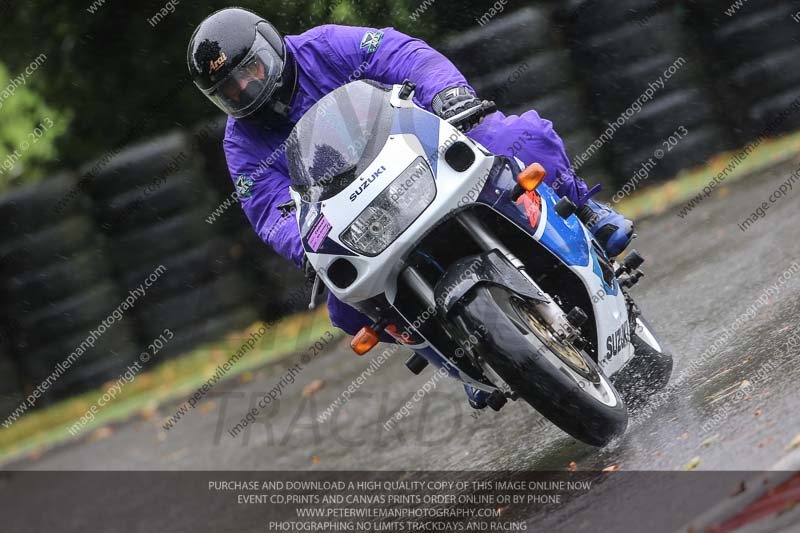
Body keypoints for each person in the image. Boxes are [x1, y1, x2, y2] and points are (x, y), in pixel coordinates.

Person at [187, 7, 633, 409]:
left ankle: (587, 210)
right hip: (360, 216)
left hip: (420, 152)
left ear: (271, 48)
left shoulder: (324, 46)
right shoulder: (240, 144)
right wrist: (304, 243)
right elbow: (269, 210)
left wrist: (447, 94)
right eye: (229, 89)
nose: (245, 89)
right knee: (344, 302)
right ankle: (455, 353)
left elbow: (403, 54)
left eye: (249, 71)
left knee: (513, 137)